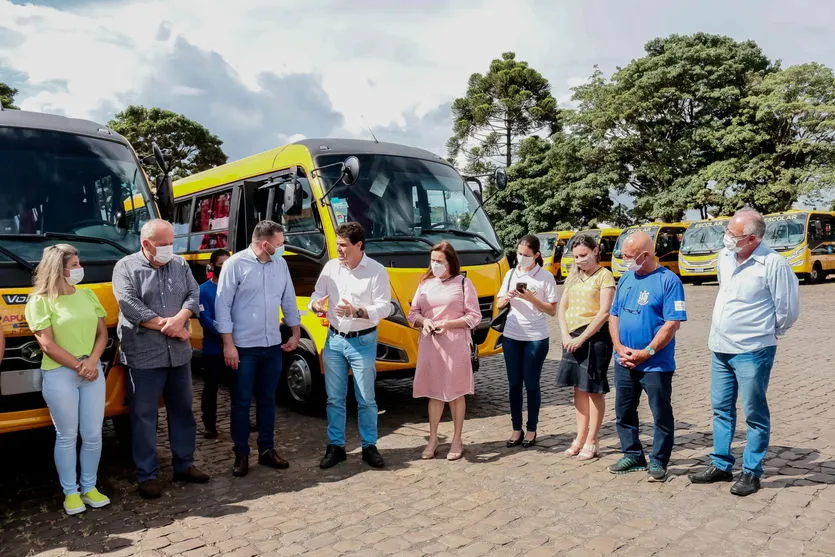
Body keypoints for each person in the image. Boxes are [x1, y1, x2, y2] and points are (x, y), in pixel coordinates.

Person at [689, 208, 800, 496]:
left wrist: (766, 332)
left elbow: (787, 310)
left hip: (753, 350)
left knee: (754, 412)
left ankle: (751, 471)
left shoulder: (773, 264)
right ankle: (721, 464)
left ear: (751, 239)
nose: (726, 238)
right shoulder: (725, 257)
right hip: (720, 347)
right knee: (721, 409)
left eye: (732, 234)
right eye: (727, 231)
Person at [112, 219, 209, 499]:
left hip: (178, 354)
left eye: (171, 243)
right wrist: (166, 325)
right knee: (144, 417)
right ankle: (147, 474)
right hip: (143, 355)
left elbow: (194, 293)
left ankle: (184, 463)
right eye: (164, 244)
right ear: (146, 244)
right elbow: (129, 305)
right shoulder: (126, 267)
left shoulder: (179, 264)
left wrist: (180, 319)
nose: (170, 249)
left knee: (183, 411)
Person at [24, 244, 111, 515]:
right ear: (58, 269)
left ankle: (89, 487)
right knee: (67, 436)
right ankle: (70, 493)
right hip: (61, 374)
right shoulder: (40, 301)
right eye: (74, 265)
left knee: (93, 435)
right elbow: (47, 345)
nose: (79, 269)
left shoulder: (87, 295)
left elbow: (103, 335)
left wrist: (92, 362)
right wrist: (79, 366)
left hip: (92, 371)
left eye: (78, 263)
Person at [215, 221, 301, 477]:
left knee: (268, 400)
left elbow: (288, 298)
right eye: (280, 243)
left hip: (271, 345)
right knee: (241, 402)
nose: (283, 247)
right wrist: (228, 345)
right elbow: (222, 307)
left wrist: (295, 332)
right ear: (265, 244)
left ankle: (267, 449)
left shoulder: (280, 264)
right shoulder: (235, 265)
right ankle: (241, 453)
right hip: (243, 348)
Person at [309, 222, 391, 469]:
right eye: (337, 245)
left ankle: (369, 446)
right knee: (334, 398)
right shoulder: (331, 267)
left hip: (363, 341)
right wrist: (316, 305)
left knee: (366, 398)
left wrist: (358, 311)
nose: (339, 250)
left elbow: (385, 306)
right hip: (334, 340)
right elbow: (316, 295)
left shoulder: (376, 271)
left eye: (343, 246)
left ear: (359, 245)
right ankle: (336, 447)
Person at [608, 231, 687, 482]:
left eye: (629, 256)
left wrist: (648, 352)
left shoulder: (669, 281)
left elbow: (672, 324)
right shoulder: (625, 279)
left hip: (656, 363)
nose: (624, 260)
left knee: (660, 413)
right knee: (624, 410)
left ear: (645, 254)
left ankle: (659, 459)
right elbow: (614, 315)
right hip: (624, 360)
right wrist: (619, 346)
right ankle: (632, 454)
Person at [408, 241, 482, 460]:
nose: (435, 264)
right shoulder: (425, 283)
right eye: (432, 261)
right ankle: (433, 439)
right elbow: (413, 314)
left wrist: (449, 324)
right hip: (431, 344)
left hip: (455, 344)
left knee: (456, 393)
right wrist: (424, 321)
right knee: (434, 392)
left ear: (450, 262)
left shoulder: (463, 283)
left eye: (439, 261)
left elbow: (474, 316)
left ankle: (457, 439)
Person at [557, 234, 616, 460]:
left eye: (584, 255)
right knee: (578, 389)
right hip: (571, 336)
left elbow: (603, 313)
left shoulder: (604, 276)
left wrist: (581, 339)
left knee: (592, 389)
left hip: (594, 337)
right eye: (576, 257)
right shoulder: (574, 277)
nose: (580, 260)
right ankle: (580, 436)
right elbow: (563, 308)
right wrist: (565, 334)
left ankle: (592, 439)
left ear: (595, 251)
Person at [498, 235, 559, 449]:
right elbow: (499, 303)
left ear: (536, 255)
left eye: (526, 255)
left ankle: (531, 428)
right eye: (519, 253)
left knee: (531, 384)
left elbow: (552, 310)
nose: (521, 257)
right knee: (514, 384)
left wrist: (530, 298)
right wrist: (507, 298)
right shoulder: (510, 273)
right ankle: (516, 428)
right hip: (512, 335)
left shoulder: (545, 277)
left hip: (536, 337)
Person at [198, 248, 230, 439]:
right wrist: (225, 334)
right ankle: (209, 424)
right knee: (211, 388)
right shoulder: (203, 290)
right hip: (213, 349)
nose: (225, 268)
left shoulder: (235, 287)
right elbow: (205, 319)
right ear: (212, 266)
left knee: (240, 386)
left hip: (234, 347)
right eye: (221, 264)